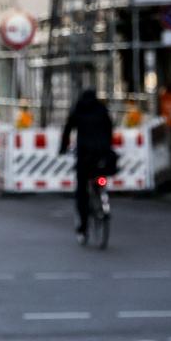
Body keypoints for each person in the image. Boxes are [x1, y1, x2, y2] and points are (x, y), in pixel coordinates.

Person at [59, 89, 113, 242]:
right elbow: (110, 128)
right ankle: (103, 197)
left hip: (84, 156)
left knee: (82, 191)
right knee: (100, 177)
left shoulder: (79, 110)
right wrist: (107, 147)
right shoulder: (101, 109)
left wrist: (63, 148)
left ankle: (83, 227)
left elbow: (68, 128)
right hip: (101, 156)